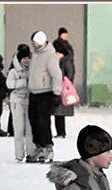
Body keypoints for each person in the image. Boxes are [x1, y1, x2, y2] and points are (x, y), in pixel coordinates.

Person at [27, 30, 63, 163]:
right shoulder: (35, 54)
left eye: (34, 42)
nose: (32, 44)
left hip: (45, 93)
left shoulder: (49, 55)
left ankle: (47, 148)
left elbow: (56, 74)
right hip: (34, 93)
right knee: (34, 121)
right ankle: (39, 147)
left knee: (43, 122)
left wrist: (56, 93)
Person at [6, 44, 35, 163]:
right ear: (19, 59)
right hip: (17, 102)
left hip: (29, 101)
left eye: (28, 58)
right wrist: (23, 82)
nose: (26, 60)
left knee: (30, 130)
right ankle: (19, 154)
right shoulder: (13, 71)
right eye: (24, 58)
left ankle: (31, 153)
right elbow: (9, 84)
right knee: (18, 129)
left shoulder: (33, 70)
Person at [52, 27, 75, 139]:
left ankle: (61, 131)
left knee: (59, 109)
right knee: (58, 109)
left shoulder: (66, 54)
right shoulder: (59, 46)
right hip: (62, 83)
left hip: (63, 84)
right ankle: (60, 131)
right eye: (64, 34)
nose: (66, 36)